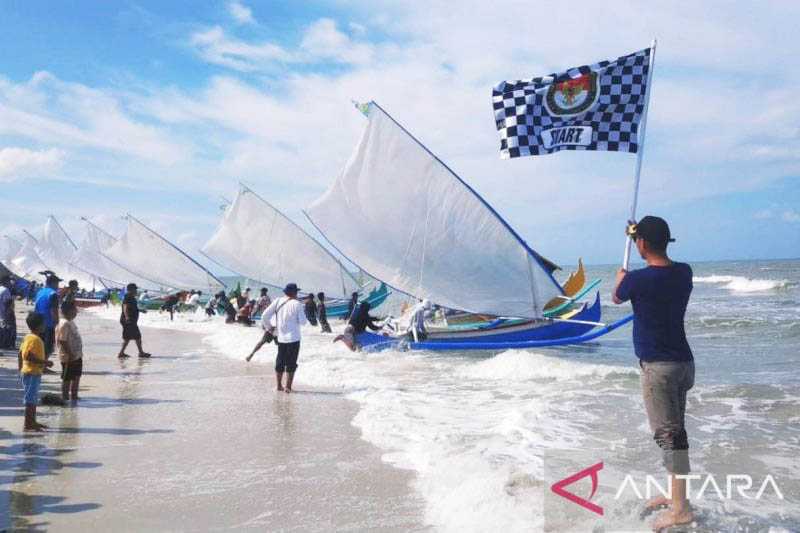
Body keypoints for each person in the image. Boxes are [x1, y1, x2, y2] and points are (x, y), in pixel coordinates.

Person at [612, 216, 695, 531]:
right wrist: (637, 232)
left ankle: (681, 510)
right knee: (676, 432)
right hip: (684, 364)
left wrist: (621, 276)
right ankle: (676, 497)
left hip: (658, 369)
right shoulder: (684, 273)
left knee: (671, 438)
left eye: (637, 241)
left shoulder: (638, 280)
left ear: (642, 244)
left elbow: (616, 296)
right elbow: (657, 272)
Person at [261, 283, 307, 393]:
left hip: (280, 337)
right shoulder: (297, 304)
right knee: (291, 363)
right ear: (294, 293)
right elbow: (303, 322)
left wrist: (269, 328)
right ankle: (288, 387)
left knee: (280, 362)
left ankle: (278, 386)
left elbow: (264, 316)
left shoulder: (277, 301)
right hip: (294, 338)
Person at [18, 311, 53, 431]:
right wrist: (45, 362)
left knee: (32, 399)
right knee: (30, 400)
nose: (44, 326)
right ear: (39, 326)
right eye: (43, 324)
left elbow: (20, 353)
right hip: (32, 373)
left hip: (31, 372)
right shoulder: (35, 339)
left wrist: (20, 369)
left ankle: (32, 421)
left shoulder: (28, 337)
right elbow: (27, 355)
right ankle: (28, 424)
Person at [56, 301, 83, 402]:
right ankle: (65, 396)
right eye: (75, 310)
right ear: (69, 311)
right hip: (68, 356)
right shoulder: (64, 323)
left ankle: (74, 395)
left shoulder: (70, 321)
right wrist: (70, 353)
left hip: (77, 355)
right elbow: (62, 340)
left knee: (77, 375)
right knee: (67, 377)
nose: (76, 312)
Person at [119, 283, 151, 358]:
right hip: (128, 321)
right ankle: (141, 353)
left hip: (130, 320)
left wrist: (141, 310)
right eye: (135, 289)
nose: (136, 290)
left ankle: (121, 353)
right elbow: (125, 307)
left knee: (128, 337)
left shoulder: (132, 297)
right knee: (137, 336)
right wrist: (127, 317)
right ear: (131, 290)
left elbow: (132, 308)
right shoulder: (128, 296)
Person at [34, 272, 60, 362]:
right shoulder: (53, 294)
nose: (58, 285)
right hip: (49, 324)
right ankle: (43, 365)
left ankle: (41, 364)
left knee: (41, 345)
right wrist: (57, 323)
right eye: (57, 283)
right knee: (48, 346)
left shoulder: (40, 292)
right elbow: (54, 310)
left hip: (38, 323)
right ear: (52, 283)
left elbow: (36, 306)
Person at [0, 275, 16, 349]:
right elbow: (8, 304)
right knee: (6, 330)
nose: (10, 282)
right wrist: (8, 314)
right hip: (4, 314)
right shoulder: (6, 290)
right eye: (9, 281)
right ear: (5, 282)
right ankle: (6, 345)